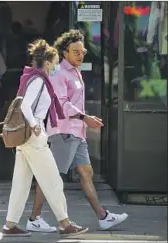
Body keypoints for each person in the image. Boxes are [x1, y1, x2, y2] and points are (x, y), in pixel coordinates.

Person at [28, 30, 128, 232]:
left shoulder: (75, 72)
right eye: (76, 52)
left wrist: (84, 120)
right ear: (65, 53)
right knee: (51, 177)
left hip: (77, 132)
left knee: (86, 172)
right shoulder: (59, 73)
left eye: (82, 51)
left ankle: (103, 216)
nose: (80, 55)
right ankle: (34, 218)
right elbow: (62, 105)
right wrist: (85, 117)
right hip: (63, 132)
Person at [1, 39, 88, 238]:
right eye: (56, 62)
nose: (57, 66)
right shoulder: (39, 80)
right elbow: (25, 106)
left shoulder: (32, 78)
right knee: (53, 180)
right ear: (47, 63)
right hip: (34, 135)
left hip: (27, 138)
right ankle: (65, 223)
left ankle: (10, 224)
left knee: (21, 183)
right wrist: (34, 126)